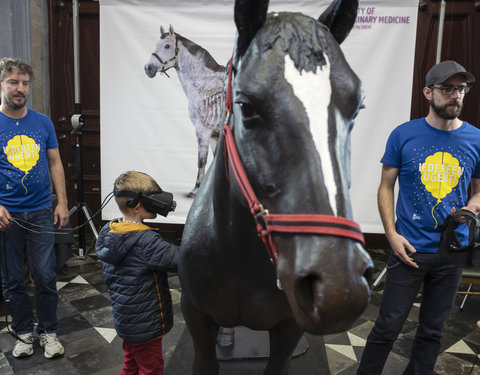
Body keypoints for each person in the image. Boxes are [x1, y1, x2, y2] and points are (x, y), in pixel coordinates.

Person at [357, 60, 480, 375]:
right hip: (409, 249)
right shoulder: (404, 134)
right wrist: (391, 236)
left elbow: (478, 191)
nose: (456, 95)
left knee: (433, 331)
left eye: (461, 89)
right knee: (387, 326)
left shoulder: (476, 139)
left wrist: (473, 207)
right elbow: (385, 187)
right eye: (447, 89)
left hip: (453, 250)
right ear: (428, 92)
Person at [0, 57, 69, 358]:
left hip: (41, 210)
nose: (20, 89)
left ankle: (49, 332)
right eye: (13, 82)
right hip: (7, 216)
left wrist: (63, 202)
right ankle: (24, 332)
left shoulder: (42, 122)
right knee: (13, 279)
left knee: (45, 275)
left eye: (25, 83)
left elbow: (55, 162)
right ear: (2, 84)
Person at [96, 171, 179, 375]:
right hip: (146, 326)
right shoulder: (145, 242)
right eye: (153, 197)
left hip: (127, 322)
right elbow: (181, 260)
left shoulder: (110, 230)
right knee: (151, 369)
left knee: (131, 363)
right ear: (136, 205)